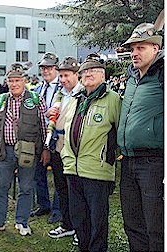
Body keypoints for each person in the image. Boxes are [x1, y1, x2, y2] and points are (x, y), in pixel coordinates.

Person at [61, 54, 121, 251]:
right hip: (73, 169)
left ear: (103, 76)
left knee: (98, 222)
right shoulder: (75, 99)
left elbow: (121, 132)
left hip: (97, 170)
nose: (88, 74)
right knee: (79, 218)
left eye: (93, 71)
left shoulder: (112, 99)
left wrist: (111, 156)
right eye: (85, 71)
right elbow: (67, 128)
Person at [0, 63, 49, 237]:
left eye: (17, 80)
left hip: (29, 151)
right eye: (11, 81)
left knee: (26, 187)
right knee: (1, 187)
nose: (14, 84)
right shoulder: (1, 99)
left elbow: (44, 126)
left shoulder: (35, 99)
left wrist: (45, 149)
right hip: (5, 151)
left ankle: (22, 221)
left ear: (24, 81)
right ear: (7, 82)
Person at [118, 23, 164, 252]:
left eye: (141, 48)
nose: (134, 53)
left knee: (156, 226)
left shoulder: (162, 74)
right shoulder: (132, 77)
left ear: (156, 48)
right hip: (128, 160)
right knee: (132, 223)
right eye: (132, 48)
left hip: (153, 162)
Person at [46, 57, 82, 243]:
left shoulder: (83, 94)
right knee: (61, 188)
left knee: (75, 190)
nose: (63, 80)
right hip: (58, 146)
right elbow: (52, 116)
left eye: (66, 75)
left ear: (77, 75)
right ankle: (67, 224)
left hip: (74, 149)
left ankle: (79, 228)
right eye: (60, 76)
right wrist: (48, 114)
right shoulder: (60, 94)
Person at [31, 52, 61, 224]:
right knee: (38, 174)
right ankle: (43, 205)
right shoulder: (37, 89)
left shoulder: (63, 88)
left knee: (58, 176)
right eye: (43, 67)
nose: (45, 71)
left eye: (49, 67)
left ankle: (58, 210)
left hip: (57, 138)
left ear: (55, 68)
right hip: (40, 138)